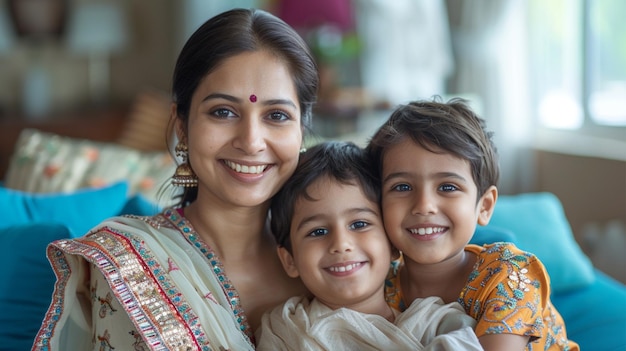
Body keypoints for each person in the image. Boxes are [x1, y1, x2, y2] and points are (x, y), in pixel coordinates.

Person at [32, 8, 319, 351]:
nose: (251, 141)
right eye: (223, 112)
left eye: (277, 115)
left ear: (301, 131)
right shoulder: (128, 263)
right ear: (181, 126)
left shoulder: (332, 255)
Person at [366, 97, 580, 351]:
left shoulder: (508, 274)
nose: (424, 205)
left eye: (447, 187)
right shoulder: (381, 283)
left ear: (485, 206)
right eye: (402, 187)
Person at [256, 141, 484, 350]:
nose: (341, 244)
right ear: (290, 260)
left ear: (392, 244)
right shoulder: (284, 330)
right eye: (318, 231)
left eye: (359, 224)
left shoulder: (439, 322)